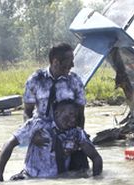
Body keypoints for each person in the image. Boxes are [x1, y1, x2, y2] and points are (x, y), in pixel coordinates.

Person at [0, 100, 103, 183]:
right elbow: (9, 144)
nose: (73, 119)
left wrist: (96, 182)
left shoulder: (77, 133)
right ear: (57, 113)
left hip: (61, 180)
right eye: (70, 114)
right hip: (30, 178)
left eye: (76, 116)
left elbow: (96, 158)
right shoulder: (38, 125)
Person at [23, 42, 88, 170]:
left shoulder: (75, 82)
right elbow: (27, 112)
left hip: (69, 135)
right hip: (43, 136)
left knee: (81, 173)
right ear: (56, 62)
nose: (73, 65)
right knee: (37, 176)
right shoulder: (35, 80)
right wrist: (33, 134)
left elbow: (80, 114)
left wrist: (77, 139)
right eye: (69, 61)